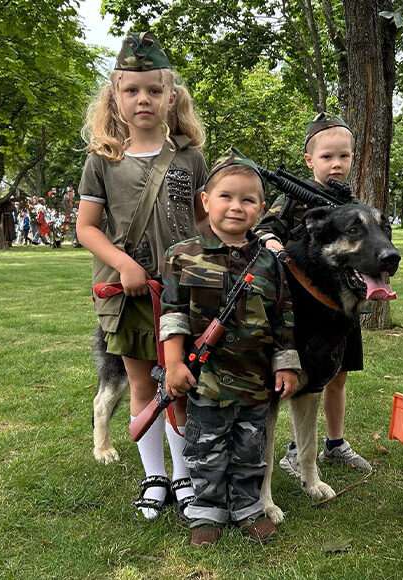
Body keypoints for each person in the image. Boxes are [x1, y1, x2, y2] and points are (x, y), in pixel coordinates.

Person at [76, 31, 208, 522]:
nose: (143, 99)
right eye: (131, 90)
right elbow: (86, 229)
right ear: (115, 96)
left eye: (153, 90)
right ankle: (154, 476)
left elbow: (202, 220)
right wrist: (127, 264)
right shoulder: (102, 160)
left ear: (171, 97)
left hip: (184, 293)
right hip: (128, 294)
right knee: (140, 385)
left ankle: (183, 477)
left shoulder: (190, 158)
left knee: (179, 384)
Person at [161, 149, 300, 547]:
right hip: (205, 381)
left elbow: (284, 318)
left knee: (250, 450)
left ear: (260, 208)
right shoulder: (182, 255)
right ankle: (206, 510)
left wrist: (286, 365)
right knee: (205, 449)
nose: (236, 207)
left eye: (248, 200)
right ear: (205, 200)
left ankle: (247, 506)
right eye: (226, 196)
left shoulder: (271, 261)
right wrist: (173, 364)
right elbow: (172, 315)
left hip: (256, 380)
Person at [255, 112, 372, 476]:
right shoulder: (293, 197)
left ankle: (335, 443)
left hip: (343, 308)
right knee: (302, 377)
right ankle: (296, 449)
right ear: (309, 160)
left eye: (344, 156)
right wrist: (276, 245)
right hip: (304, 307)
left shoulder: (353, 202)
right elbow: (263, 228)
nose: (336, 164)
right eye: (326, 157)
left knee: (337, 374)